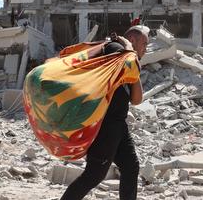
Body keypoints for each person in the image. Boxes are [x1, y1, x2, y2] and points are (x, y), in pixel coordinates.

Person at [61, 25, 149, 200]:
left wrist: (132, 57)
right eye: (144, 44)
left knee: (131, 166)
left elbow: (136, 99)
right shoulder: (114, 50)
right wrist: (130, 53)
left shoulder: (127, 58)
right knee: (94, 174)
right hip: (105, 125)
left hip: (118, 124)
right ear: (132, 40)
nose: (146, 49)